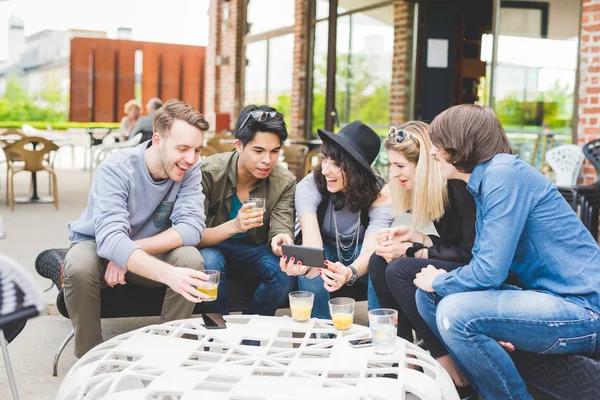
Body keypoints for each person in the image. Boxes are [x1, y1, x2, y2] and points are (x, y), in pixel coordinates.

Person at [414, 104, 600, 399]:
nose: (433, 152)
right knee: (429, 298)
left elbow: (488, 271)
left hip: (584, 308)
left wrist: (438, 279)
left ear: (460, 143)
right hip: (546, 298)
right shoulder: (486, 181)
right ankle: (481, 389)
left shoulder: (503, 175)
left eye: (438, 142)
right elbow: (487, 267)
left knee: (453, 309)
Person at [64, 99, 211, 357]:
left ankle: (171, 349)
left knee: (190, 258)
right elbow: (109, 239)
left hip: (146, 247)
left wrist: (129, 251)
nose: (191, 158)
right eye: (183, 148)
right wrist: (167, 274)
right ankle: (89, 357)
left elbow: (192, 227)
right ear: (157, 141)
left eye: (197, 150)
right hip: (97, 245)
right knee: (77, 265)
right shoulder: (116, 169)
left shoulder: (191, 168)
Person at [368, 120, 477, 399]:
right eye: (391, 165)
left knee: (400, 268)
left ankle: (443, 359)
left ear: (424, 165)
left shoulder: (460, 188)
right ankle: (404, 354)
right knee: (379, 261)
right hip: (460, 259)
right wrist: (418, 237)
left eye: (400, 166)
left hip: (479, 270)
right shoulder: (435, 192)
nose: (394, 173)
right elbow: (451, 245)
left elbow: (470, 252)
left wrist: (413, 251)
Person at [281, 121, 392, 319]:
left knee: (381, 259)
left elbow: (370, 250)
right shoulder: (310, 185)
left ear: (356, 169)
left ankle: (376, 332)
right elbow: (312, 246)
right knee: (313, 264)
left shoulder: (380, 194)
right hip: (325, 248)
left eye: (336, 164)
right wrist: (304, 264)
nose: (325, 170)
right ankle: (321, 334)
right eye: (324, 159)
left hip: (359, 252)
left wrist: (349, 272)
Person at [198, 105, 297, 316]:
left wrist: (281, 238)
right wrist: (235, 226)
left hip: (256, 249)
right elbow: (193, 234)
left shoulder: (284, 181)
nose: (267, 160)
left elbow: (282, 224)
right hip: (214, 245)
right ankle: (217, 333)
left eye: (275, 151)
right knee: (208, 263)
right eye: (259, 151)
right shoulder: (209, 173)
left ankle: (251, 334)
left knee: (284, 273)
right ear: (239, 146)